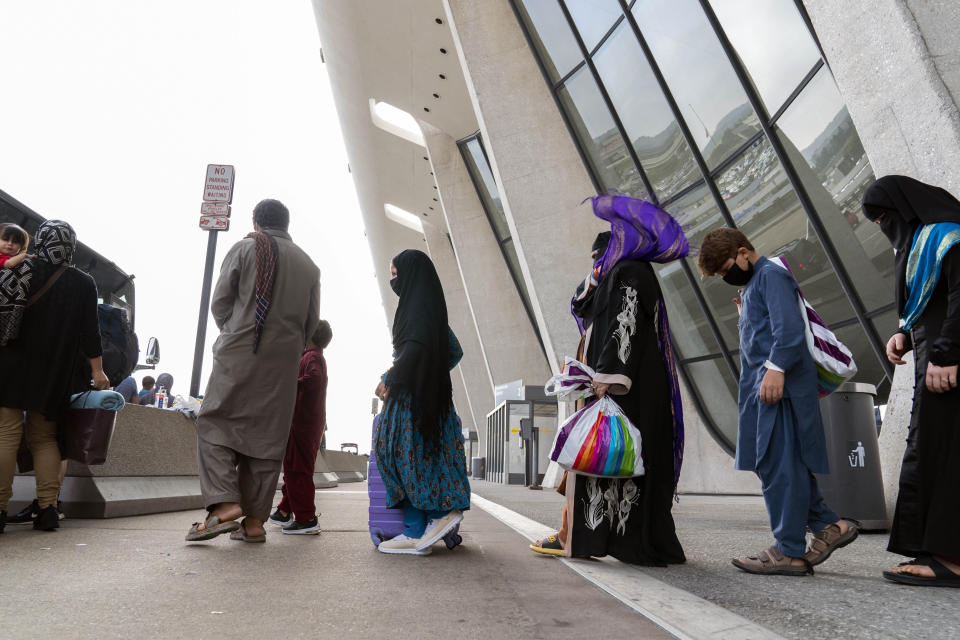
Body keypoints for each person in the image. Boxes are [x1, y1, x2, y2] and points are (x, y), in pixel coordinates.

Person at [530, 196, 687, 565]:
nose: (599, 261)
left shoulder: (630, 272)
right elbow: (581, 305)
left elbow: (624, 326)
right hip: (632, 390)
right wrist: (597, 275)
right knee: (623, 461)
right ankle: (633, 540)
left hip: (624, 390)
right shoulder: (618, 273)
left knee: (603, 457)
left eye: (603, 252)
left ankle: (582, 537)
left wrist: (606, 377)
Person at [698, 227, 857, 576]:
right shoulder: (757, 283)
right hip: (764, 389)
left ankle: (788, 550)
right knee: (779, 464)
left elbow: (789, 331)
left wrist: (776, 369)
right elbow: (769, 330)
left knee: (779, 465)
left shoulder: (771, 275)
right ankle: (830, 527)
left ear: (743, 252)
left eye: (726, 268)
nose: (726, 276)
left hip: (777, 390)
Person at [186, 199, 320, 544]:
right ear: (287, 225)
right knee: (266, 439)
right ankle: (255, 523)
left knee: (214, 425)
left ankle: (226, 504)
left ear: (256, 222)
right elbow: (311, 325)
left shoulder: (245, 248)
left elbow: (220, 303)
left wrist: (235, 333)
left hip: (240, 354)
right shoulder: (309, 265)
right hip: (283, 366)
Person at [861, 175, 960, 587]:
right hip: (934, 364)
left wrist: (947, 354)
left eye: (884, 217)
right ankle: (936, 551)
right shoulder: (921, 243)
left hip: (947, 369)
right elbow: (928, 301)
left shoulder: (947, 237)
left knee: (947, 455)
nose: (884, 226)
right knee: (933, 451)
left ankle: (949, 559)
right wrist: (904, 331)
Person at [0, 220, 109, 533]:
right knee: (45, 437)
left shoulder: (20, 269)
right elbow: (91, 332)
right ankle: (47, 509)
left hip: (9, 365)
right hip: (53, 370)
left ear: (40, 242)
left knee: (6, 433)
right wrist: (97, 370)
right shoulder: (83, 282)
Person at [374, 249, 470, 555]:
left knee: (403, 460)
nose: (393, 280)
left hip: (411, 404)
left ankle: (430, 521)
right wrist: (431, 373)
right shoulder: (431, 314)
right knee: (420, 463)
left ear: (411, 276)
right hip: (432, 399)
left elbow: (413, 351)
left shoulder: (415, 313)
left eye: (395, 273)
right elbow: (452, 351)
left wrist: (392, 377)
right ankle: (417, 531)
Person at [268, 319, 332, 535]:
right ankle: (284, 511)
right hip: (309, 422)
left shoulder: (311, 357)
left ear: (310, 336)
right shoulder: (317, 356)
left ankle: (306, 519)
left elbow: (313, 378)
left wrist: (289, 382)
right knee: (296, 468)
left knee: (297, 470)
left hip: (302, 423)